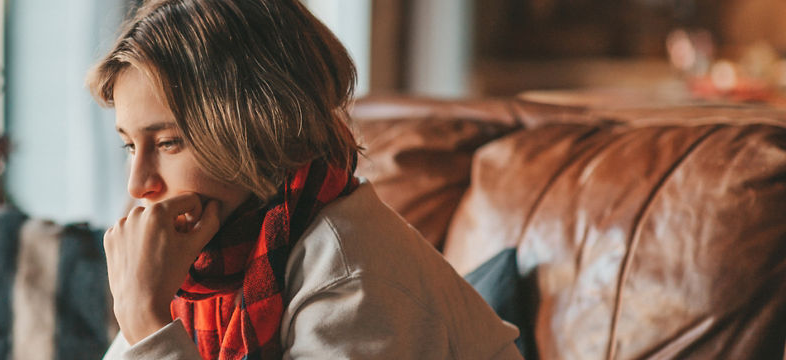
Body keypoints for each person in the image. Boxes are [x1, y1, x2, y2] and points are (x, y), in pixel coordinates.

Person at [89, 0, 522, 359]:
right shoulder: (213, 260)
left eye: (168, 143)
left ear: (259, 129)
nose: (138, 184)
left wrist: (145, 320)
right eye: (130, 146)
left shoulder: (348, 276)